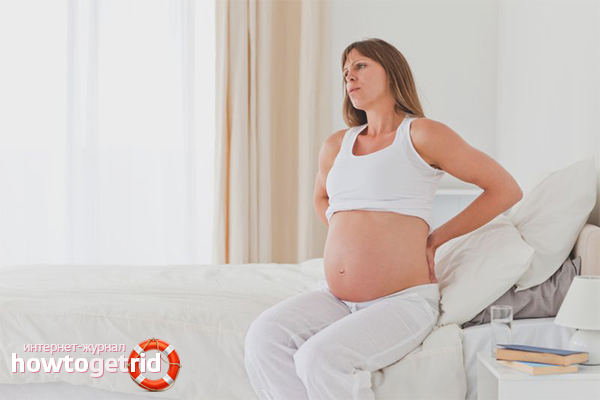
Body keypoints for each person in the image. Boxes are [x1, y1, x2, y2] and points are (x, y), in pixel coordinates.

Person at [244, 38, 523, 400]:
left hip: (402, 302)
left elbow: (505, 189)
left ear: (391, 72)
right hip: (336, 297)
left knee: (320, 359)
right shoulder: (336, 145)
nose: (349, 76)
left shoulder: (421, 134)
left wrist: (436, 239)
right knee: (263, 337)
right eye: (346, 71)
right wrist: (350, 237)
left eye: (360, 66)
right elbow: (321, 198)